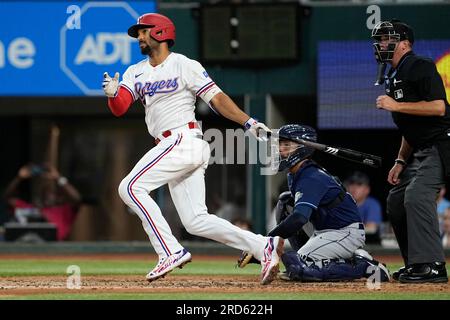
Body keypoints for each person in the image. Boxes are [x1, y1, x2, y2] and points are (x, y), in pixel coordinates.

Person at [101, 13, 283, 285]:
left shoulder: (184, 65)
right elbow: (120, 108)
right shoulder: (134, 71)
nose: (138, 37)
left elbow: (217, 98)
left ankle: (169, 251)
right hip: (171, 146)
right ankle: (262, 246)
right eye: (137, 33)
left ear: (160, 32)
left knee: (129, 187)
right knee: (196, 221)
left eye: (143, 31)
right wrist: (113, 95)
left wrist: (248, 121)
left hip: (183, 140)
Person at [239, 124, 390, 283]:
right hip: (324, 229)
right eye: (279, 144)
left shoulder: (311, 176)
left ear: (302, 148)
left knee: (299, 269)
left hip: (344, 232)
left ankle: (366, 267)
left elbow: (299, 218)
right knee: (286, 201)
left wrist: (266, 242)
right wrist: (269, 244)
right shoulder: (296, 173)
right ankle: (309, 258)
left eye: (286, 145)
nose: (280, 149)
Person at [372, 19, 449, 283]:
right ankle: (417, 265)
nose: (381, 44)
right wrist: (400, 160)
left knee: (416, 195)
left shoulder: (421, 65)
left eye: (386, 38)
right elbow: (411, 128)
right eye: (380, 39)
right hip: (424, 148)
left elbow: (439, 107)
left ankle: (434, 266)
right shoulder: (393, 77)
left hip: (443, 143)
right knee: (396, 200)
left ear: (404, 44)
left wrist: (396, 106)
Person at [3, 163, 82, 241]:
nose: (47, 196)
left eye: (51, 193)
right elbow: (7, 198)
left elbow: (76, 199)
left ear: (58, 197)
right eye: (44, 193)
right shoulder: (29, 209)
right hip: (26, 247)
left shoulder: (63, 211)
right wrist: (19, 178)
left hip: (54, 250)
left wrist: (58, 178)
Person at [344, 171, 383, 244]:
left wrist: (344, 230)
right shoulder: (341, 204)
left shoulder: (372, 204)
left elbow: (371, 228)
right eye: (351, 183)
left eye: (359, 184)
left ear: (367, 190)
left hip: (367, 243)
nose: (354, 187)